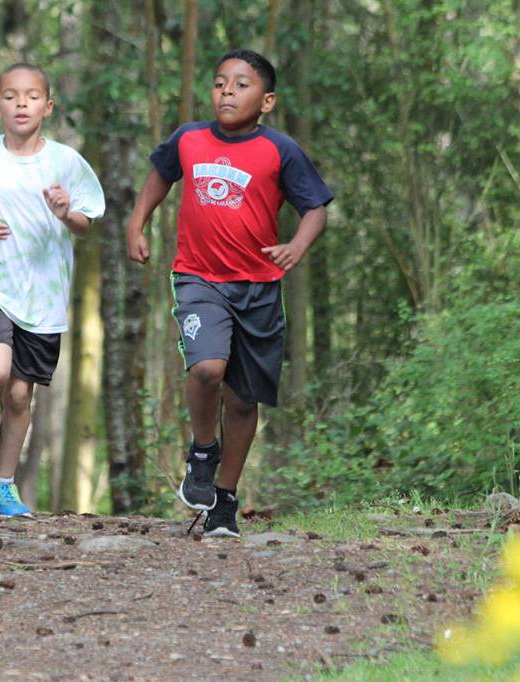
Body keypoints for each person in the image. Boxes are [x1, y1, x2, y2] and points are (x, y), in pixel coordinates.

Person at [126, 49, 333, 538]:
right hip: (198, 277)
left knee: (242, 400)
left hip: (259, 287)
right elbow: (160, 173)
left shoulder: (280, 150)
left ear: (267, 101)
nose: (227, 92)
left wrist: (297, 246)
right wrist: (137, 224)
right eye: (220, 83)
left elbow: (316, 207)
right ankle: (202, 450)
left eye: (241, 85)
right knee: (206, 368)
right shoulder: (190, 138)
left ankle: (224, 502)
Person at [0, 63, 105, 517]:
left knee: (20, 394)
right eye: (11, 96)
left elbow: (86, 225)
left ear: (48, 107)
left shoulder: (66, 162)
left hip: (42, 295)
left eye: (32, 96)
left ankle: (4, 484)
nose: (21, 103)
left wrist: (64, 211)